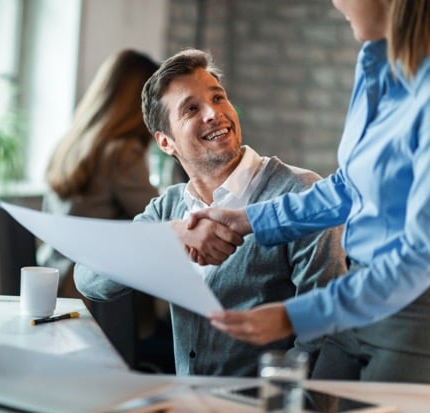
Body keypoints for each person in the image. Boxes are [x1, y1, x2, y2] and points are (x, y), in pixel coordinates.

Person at [191, 0, 430, 382]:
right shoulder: (375, 61)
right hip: (355, 297)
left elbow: (422, 256)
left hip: (412, 311)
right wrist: (245, 220)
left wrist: (293, 315)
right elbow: (350, 187)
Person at [74, 49, 347, 377]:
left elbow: (326, 332)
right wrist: (172, 235)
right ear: (166, 142)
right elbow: (88, 279)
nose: (213, 113)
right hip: (191, 406)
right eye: (191, 108)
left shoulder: (299, 193)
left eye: (218, 98)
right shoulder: (170, 206)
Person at [38, 49, 160, 301]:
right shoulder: (121, 153)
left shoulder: (71, 143)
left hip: (53, 278)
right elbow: (160, 219)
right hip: (92, 296)